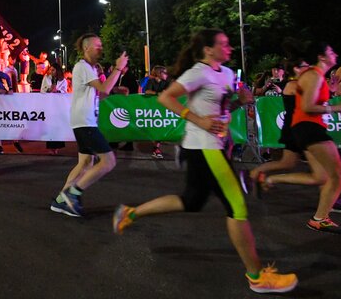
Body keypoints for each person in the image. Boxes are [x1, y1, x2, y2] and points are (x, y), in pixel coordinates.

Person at [112, 29, 297, 294]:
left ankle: (130, 213)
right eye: (223, 44)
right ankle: (257, 277)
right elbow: (166, 97)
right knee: (237, 207)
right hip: (203, 148)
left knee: (191, 201)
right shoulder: (198, 72)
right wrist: (198, 120)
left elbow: (221, 110)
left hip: (215, 147)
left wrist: (240, 102)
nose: (229, 47)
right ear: (208, 49)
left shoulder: (228, 73)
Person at [50, 33, 128, 217]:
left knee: (85, 162)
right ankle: (73, 195)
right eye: (97, 45)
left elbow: (101, 93)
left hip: (84, 120)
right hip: (85, 121)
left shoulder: (90, 68)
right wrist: (118, 68)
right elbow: (103, 88)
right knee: (108, 161)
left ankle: (61, 200)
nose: (101, 48)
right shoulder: (82, 66)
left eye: (101, 45)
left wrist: (116, 89)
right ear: (86, 48)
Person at [278, 41, 341, 232]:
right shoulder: (313, 75)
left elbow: (314, 100)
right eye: (331, 51)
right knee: (337, 175)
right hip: (308, 128)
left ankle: (321, 217)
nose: (335, 54)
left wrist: (331, 90)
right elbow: (307, 106)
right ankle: (319, 218)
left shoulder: (317, 76)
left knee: (327, 176)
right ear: (321, 56)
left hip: (309, 128)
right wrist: (338, 108)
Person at [244, 59, 324, 196]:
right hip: (299, 129)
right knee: (321, 171)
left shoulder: (299, 83)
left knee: (287, 163)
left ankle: (256, 174)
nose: (310, 69)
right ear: (296, 69)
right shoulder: (293, 85)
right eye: (306, 66)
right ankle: (263, 177)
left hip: (295, 128)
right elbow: (310, 103)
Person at [145, 65, 171, 159]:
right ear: (159, 73)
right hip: (153, 108)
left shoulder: (166, 82)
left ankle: (156, 148)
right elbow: (147, 91)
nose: (166, 74)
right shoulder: (151, 81)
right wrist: (157, 93)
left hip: (163, 108)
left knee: (161, 127)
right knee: (155, 127)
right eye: (165, 72)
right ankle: (156, 149)